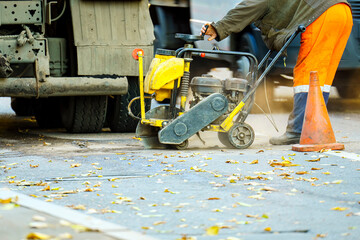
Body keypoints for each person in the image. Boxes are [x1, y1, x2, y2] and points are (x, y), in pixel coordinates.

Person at [201, 0, 353, 145]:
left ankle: (298, 131)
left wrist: (218, 28)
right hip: (342, 12)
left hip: (322, 14)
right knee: (322, 79)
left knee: (306, 75)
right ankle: (316, 126)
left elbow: (248, 7)